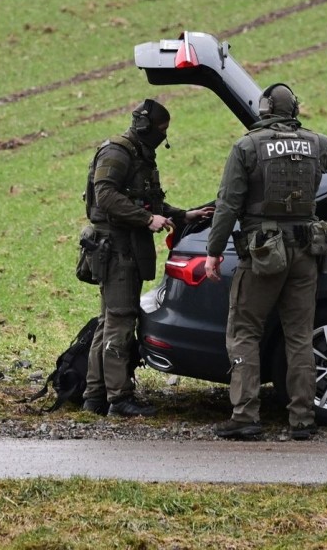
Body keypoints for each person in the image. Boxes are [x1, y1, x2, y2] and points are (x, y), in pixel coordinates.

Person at [203, 84, 327, 441]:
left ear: (264, 109)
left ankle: (245, 415)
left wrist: (213, 251)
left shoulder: (247, 147)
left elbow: (228, 204)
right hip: (306, 253)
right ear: (294, 109)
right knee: (300, 337)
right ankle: (302, 418)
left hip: (262, 255)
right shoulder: (316, 143)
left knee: (245, 332)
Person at [82, 99, 213, 416]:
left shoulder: (140, 155)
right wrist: (146, 221)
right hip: (116, 249)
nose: (162, 135)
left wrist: (184, 215)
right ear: (145, 127)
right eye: (161, 129)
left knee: (109, 321)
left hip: (125, 246)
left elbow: (147, 203)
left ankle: (95, 397)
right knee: (121, 321)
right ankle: (118, 398)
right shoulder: (117, 152)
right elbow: (107, 196)